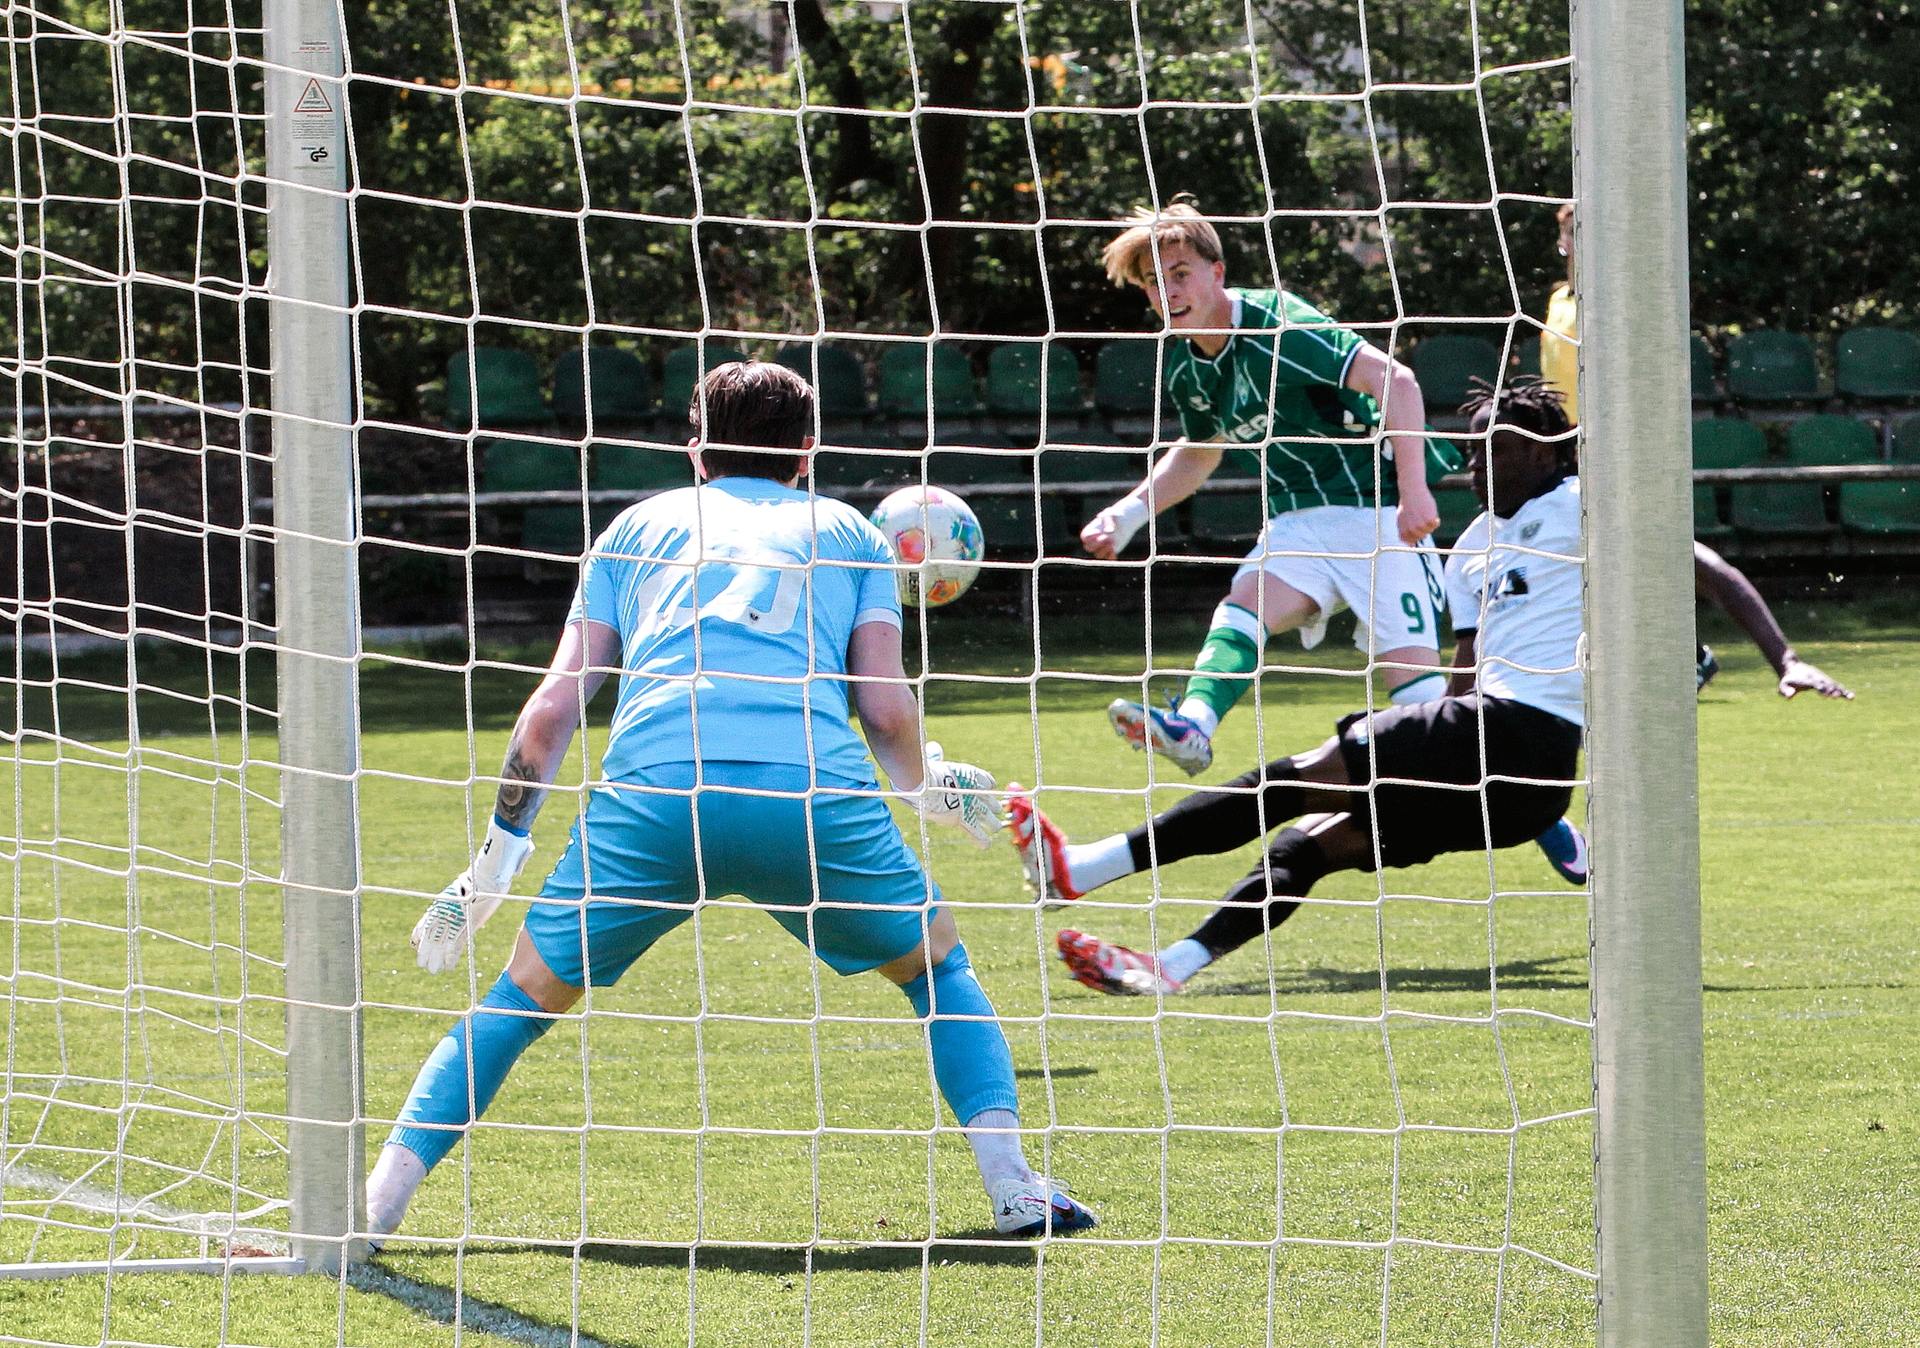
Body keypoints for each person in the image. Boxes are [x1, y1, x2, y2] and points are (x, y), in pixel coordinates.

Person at [366, 362, 1097, 1241]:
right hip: (811, 799)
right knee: (941, 975)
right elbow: (886, 709)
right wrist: (929, 789)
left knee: (516, 1003)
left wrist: (491, 868)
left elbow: (552, 709)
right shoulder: (852, 535)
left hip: (657, 800)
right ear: (808, 450)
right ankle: (1013, 1187)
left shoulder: (632, 529)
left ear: (694, 449)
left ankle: (370, 1212)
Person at [1010, 379, 1583, 996]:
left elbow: (1679, 555)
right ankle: (1168, 968)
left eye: (1492, 449)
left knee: (1283, 784)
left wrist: (1693, 644)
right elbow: (1464, 675)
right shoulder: (1471, 550)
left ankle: (1081, 868)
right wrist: (1421, 752)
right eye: (1470, 450)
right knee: (1304, 848)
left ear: (1546, 455)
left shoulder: (1582, 504)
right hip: (1504, 785)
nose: (1473, 465)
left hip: (1526, 741)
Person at [1084, 196, 1461, 779]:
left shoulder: (1282, 326)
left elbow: (1399, 381)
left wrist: (1416, 492)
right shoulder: (1188, 369)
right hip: (1297, 520)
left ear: (1216, 273)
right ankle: (1192, 728)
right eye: (1154, 284)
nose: (1169, 293)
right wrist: (1130, 514)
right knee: (1242, 608)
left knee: (1425, 708)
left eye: (1180, 274)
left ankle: (1543, 819)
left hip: (1378, 515)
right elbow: (1201, 450)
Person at [1536, 203, 1848, 702]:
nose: (1580, 240)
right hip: (1563, 455)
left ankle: (1777, 658)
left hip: (1620, 452)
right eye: (1574, 230)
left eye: (1590, 229)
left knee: (1674, 556)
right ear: (1563, 240)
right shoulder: (1557, 303)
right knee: (1588, 564)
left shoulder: (1620, 302)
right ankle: (1688, 655)